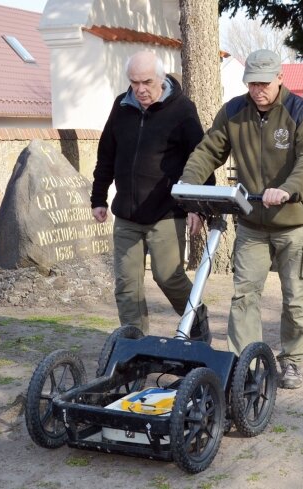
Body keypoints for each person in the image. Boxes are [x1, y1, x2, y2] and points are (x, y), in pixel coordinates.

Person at [179, 49, 303, 389]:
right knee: (244, 295)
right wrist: (188, 187)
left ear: (280, 79)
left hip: (294, 225)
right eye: (251, 83)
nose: (257, 90)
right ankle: (244, 364)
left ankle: (291, 361)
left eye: (263, 83)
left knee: (294, 297)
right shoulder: (233, 113)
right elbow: (207, 151)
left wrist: (286, 189)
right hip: (252, 225)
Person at [90, 51, 213, 339]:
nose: (140, 89)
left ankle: (196, 320)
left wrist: (199, 206)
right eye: (134, 82)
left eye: (146, 81)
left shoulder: (182, 109)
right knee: (126, 284)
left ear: (160, 78)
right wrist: (98, 197)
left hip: (166, 212)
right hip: (127, 215)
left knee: (167, 276)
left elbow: (202, 158)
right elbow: (106, 154)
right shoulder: (121, 107)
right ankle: (133, 344)